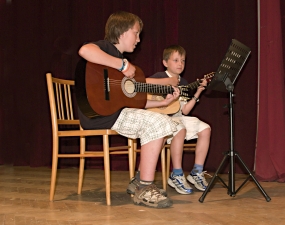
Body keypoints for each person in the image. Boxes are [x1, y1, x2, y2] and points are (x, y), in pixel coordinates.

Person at [77, 11, 185, 208]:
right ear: (122, 32)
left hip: (116, 112)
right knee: (158, 122)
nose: (138, 39)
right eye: (136, 33)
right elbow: (85, 50)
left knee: (170, 124)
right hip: (100, 114)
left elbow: (134, 102)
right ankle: (144, 187)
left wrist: (161, 103)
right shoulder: (107, 50)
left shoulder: (121, 65)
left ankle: (139, 180)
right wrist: (122, 64)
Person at [147, 45, 211, 194]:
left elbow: (184, 110)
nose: (180, 64)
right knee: (180, 130)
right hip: (162, 118)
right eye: (175, 60)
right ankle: (176, 173)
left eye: (182, 60)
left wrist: (198, 92)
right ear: (165, 63)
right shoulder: (159, 77)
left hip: (178, 116)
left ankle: (197, 172)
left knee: (205, 129)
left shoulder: (185, 83)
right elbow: (145, 85)